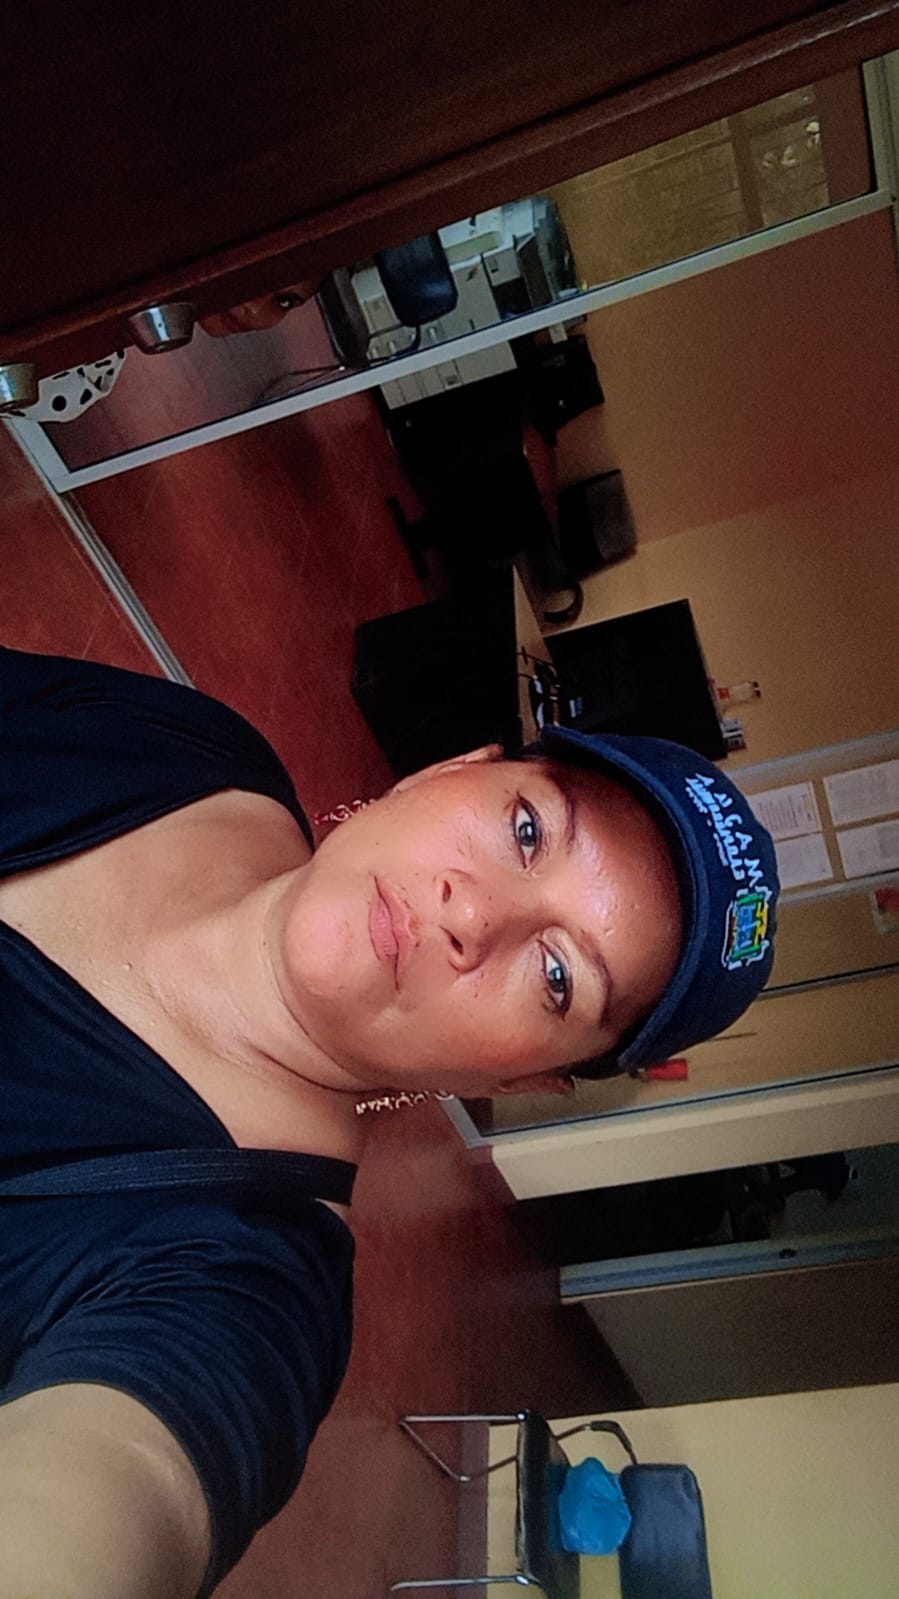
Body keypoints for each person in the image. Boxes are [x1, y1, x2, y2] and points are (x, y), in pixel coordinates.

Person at [0, 644, 778, 1597]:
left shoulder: (245, 1285)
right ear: (448, 770)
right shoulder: (193, 749)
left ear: (525, 1079)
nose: (473, 914)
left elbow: (125, 1483)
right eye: (527, 830)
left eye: (557, 975)